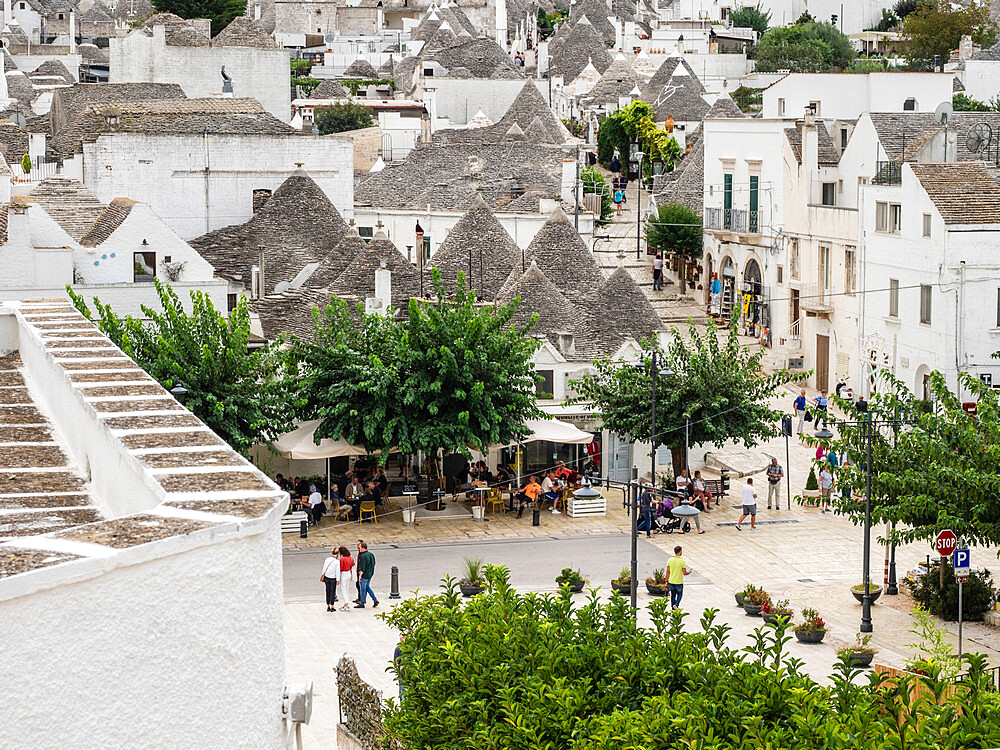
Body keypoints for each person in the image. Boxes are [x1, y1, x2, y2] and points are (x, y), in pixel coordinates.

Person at [355, 540, 380, 609]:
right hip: (370, 573)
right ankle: (374, 600)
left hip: (365, 575)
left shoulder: (363, 556)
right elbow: (373, 563)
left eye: (359, 548)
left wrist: (360, 576)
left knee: (363, 589)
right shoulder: (371, 554)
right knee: (367, 587)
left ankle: (362, 603)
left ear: (363, 548)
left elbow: (362, 568)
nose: (359, 549)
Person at [667, 545, 690, 610]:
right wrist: (689, 572)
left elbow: (668, 571)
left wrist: (666, 579)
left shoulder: (670, 560)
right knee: (680, 595)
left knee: (673, 595)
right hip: (679, 581)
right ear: (680, 552)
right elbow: (684, 573)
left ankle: (673, 608)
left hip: (671, 581)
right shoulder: (682, 561)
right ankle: (676, 604)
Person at [338, 546, 354, 612]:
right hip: (349, 573)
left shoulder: (342, 559)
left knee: (343, 589)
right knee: (347, 589)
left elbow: (341, 568)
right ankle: (346, 604)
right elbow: (353, 564)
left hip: (344, 573)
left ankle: (346, 604)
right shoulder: (350, 557)